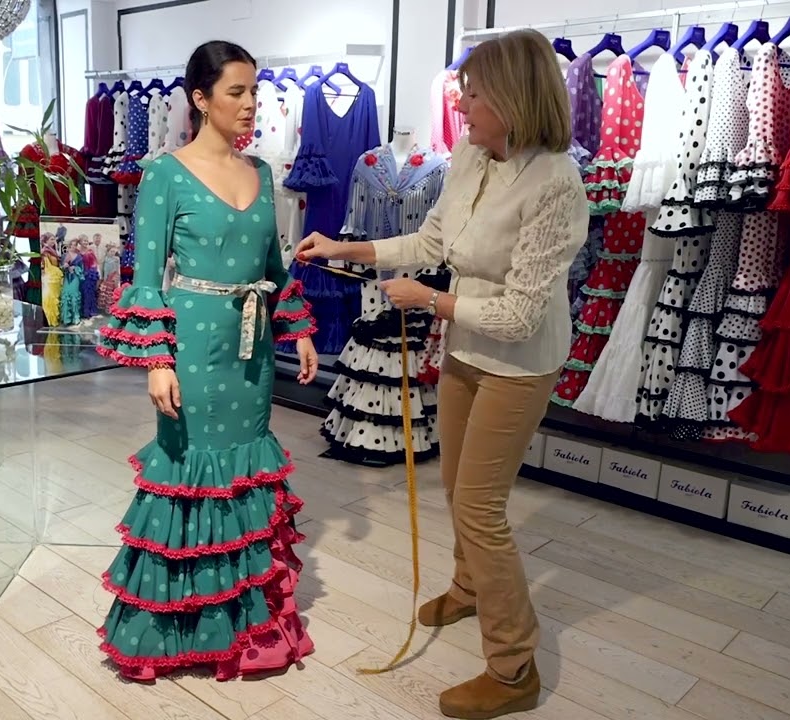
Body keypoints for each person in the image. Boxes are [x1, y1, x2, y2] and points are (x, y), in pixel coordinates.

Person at [296, 29, 588, 719]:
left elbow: (520, 314)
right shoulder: (470, 156)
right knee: (458, 488)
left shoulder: (557, 182)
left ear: (513, 99)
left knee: (481, 508)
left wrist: (430, 301)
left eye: (474, 93)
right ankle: (468, 587)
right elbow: (432, 241)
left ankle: (514, 668)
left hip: (519, 361)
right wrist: (347, 247)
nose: (460, 104)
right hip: (466, 346)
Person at [95, 40, 320, 681]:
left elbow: (274, 266)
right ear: (200, 98)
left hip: (253, 351)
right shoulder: (164, 174)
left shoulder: (263, 173)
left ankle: (243, 623)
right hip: (193, 346)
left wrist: (299, 331)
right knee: (187, 470)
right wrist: (157, 363)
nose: (251, 105)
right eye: (236, 92)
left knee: (246, 470)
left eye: (255, 91)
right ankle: (178, 628)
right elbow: (145, 279)